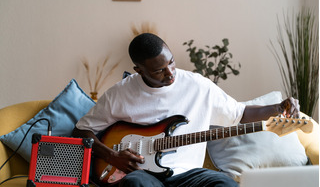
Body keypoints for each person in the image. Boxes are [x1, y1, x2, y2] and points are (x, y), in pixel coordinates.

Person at [73, 33, 299, 187]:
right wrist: (113, 156)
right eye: (159, 71)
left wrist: (278, 108)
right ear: (138, 70)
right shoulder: (119, 94)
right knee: (135, 184)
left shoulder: (197, 85)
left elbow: (239, 114)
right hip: (143, 175)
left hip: (189, 174)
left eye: (171, 62)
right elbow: (82, 131)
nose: (170, 73)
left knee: (226, 184)